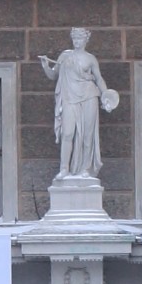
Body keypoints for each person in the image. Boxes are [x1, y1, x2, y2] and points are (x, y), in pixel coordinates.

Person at [39, 28, 120, 179]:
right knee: (67, 133)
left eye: (79, 39)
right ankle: (64, 169)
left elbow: (99, 79)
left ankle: (85, 169)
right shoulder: (65, 55)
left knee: (87, 136)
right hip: (69, 97)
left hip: (89, 96)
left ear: (85, 40)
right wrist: (45, 66)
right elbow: (53, 75)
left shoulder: (90, 59)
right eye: (74, 38)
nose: (76, 41)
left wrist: (106, 96)